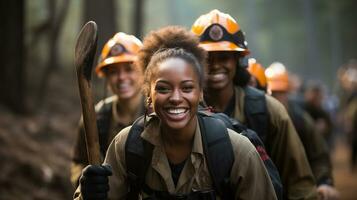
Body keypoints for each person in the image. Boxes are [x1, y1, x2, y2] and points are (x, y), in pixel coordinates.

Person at [74, 26, 277, 200]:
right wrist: (87, 194)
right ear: (149, 95)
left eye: (187, 88)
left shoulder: (237, 152)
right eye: (163, 88)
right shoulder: (126, 146)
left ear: (200, 94)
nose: (176, 97)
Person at [191, 9, 317, 199]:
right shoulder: (183, 112)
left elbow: (299, 182)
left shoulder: (268, 110)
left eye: (224, 57)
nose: (216, 65)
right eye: (208, 58)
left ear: (238, 60)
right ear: (195, 63)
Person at [71, 32, 145, 187]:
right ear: (105, 76)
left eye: (129, 69)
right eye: (113, 72)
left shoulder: (157, 114)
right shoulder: (94, 118)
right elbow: (78, 163)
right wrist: (85, 182)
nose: (121, 77)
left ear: (144, 71)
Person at [265, 62, 339, 200]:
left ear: (288, 92)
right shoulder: (260, 119)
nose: (276, 98)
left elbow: (319, 155)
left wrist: (323, 182)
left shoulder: (300, 119)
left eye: (280, 93)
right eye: (272, 94)